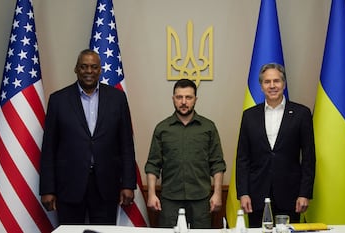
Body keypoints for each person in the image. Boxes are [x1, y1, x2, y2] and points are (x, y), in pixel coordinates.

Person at [39, 49, 136, 225]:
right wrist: (47, 189)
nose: (89, 71)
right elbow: (49, 148)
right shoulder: (58, 100)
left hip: (106, 185)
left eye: (93, 67)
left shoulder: (117, 98)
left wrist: (128, 184)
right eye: (84, 67)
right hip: (69, 185)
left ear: (100, 70)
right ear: (76, 69)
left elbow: (126, 145)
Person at [236, 63, 316, 227]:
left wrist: (304, 193)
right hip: (256, 195)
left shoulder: (301, 114)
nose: (272, 86)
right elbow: (243, 158)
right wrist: (243, 193)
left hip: (291, 195)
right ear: (261, 85)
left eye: (276, 81)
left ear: (284, 84)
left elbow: (309, 158)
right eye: (267, 82)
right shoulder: (249, 116)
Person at [145, 78, 226, 229]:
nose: (183, 102)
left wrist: (217, 194)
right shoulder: (162, 128)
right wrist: (151, 194)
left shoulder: (208, 127)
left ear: (195, 99)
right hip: (170, 200)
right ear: (173, 99)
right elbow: (152, 165)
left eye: (188, 97)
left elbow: (217, 164)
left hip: (201, 200)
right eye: (179, 97)